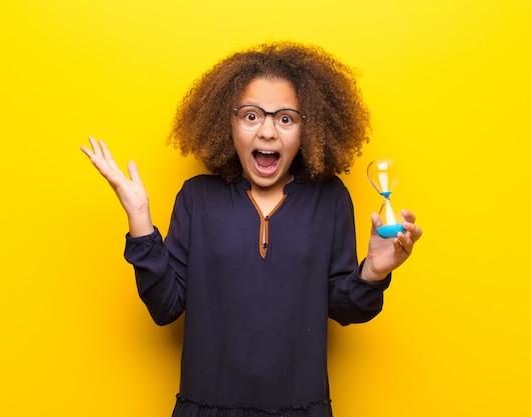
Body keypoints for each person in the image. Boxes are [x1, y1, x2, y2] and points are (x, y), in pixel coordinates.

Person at [80, 41, 422, 417]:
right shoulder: (197, 198)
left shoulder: (329, 199)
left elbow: (344, 308)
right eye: (252, 116)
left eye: (286, 118)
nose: (268, 132)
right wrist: (141, 219)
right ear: (228, 122)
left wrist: (373, 272)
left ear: (308, 128)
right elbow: (165, 307)